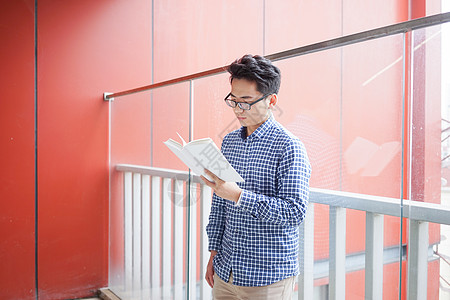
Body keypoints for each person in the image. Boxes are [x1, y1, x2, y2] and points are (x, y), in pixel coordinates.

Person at [200, 54, 312, 300]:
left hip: (268, 278)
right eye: (234, 100)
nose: (238, 109)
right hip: (226, 270)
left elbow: (294, 212)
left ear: (271, 100)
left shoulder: (289, 147)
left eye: (247, 101)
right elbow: (220, 204)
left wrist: (239, 195)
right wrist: (214, 253)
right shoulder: (229, 142)